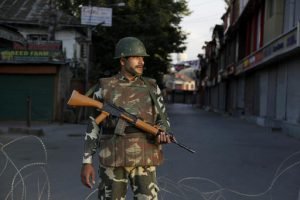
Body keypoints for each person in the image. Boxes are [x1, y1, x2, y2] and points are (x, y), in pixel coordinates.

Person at [80, 36, 172, 200]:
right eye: (136, 57)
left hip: (145, 157)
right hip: (112, 158)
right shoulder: (104, 87)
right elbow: (93, 126)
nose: (141, 62)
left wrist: (163, 132)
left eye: (143, 58)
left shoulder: (151, 87)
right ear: (122, 61)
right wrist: (87, 162)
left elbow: (162, 119)